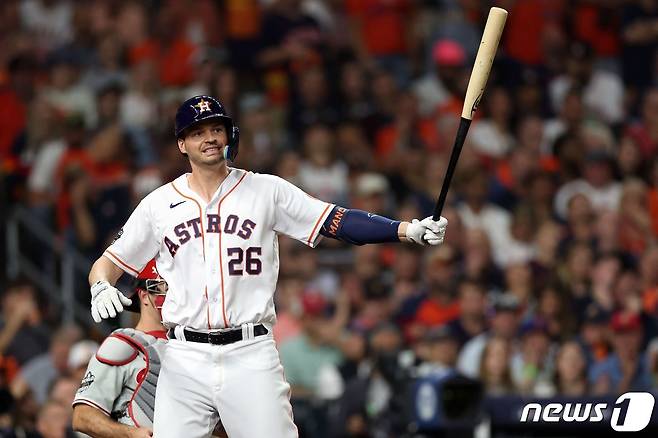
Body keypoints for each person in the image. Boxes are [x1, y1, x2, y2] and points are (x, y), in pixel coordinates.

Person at [87, 95, 448, 438]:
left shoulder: (266, 190)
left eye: (215, 129)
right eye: (197, 132)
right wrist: (101, 285)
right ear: (182, 144)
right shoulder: (159, 204)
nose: (209, 138)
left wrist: (405, 230)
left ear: (228, 134)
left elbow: (334, 220)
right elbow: (106, 264)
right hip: (184, 356)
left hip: (250, 352)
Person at [72, 260, 167, 437]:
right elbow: (82, 416)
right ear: (145, 296)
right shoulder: (123, 345)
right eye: (166, 289)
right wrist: (130, 434)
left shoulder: (193, 347)